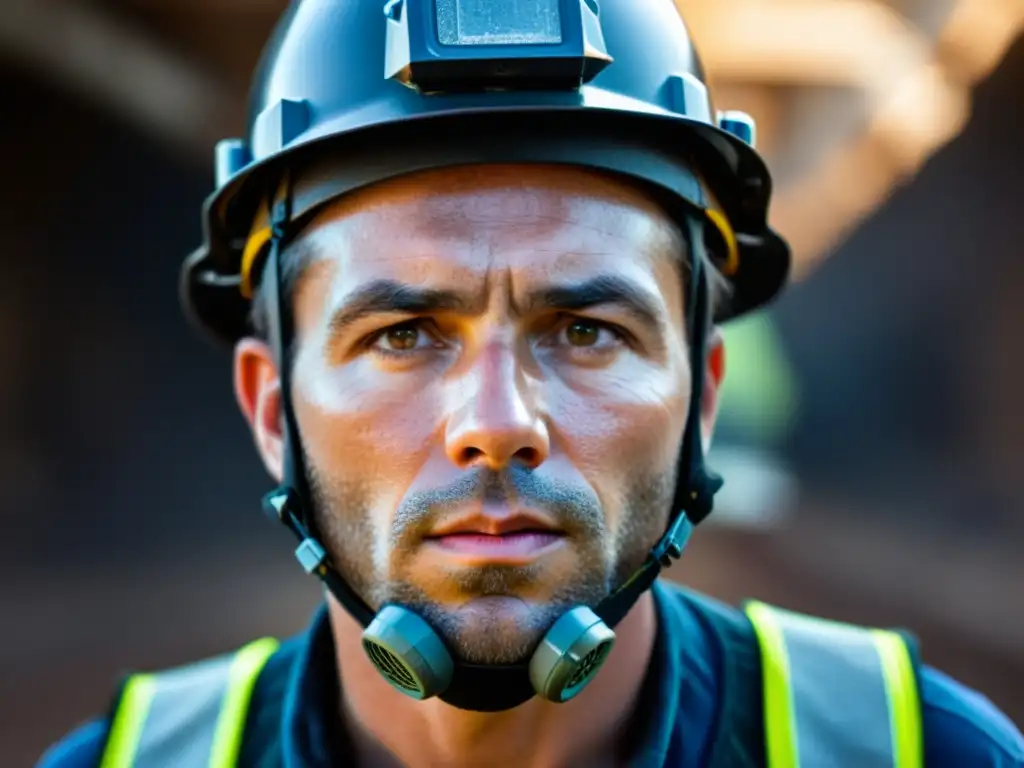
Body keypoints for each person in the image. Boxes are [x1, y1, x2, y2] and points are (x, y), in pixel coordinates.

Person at [39, 1, 1023, 766]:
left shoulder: (924, 752)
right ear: (270, 406)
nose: (497, 424)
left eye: (586, 330)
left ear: (704, 394)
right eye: (405, 333)